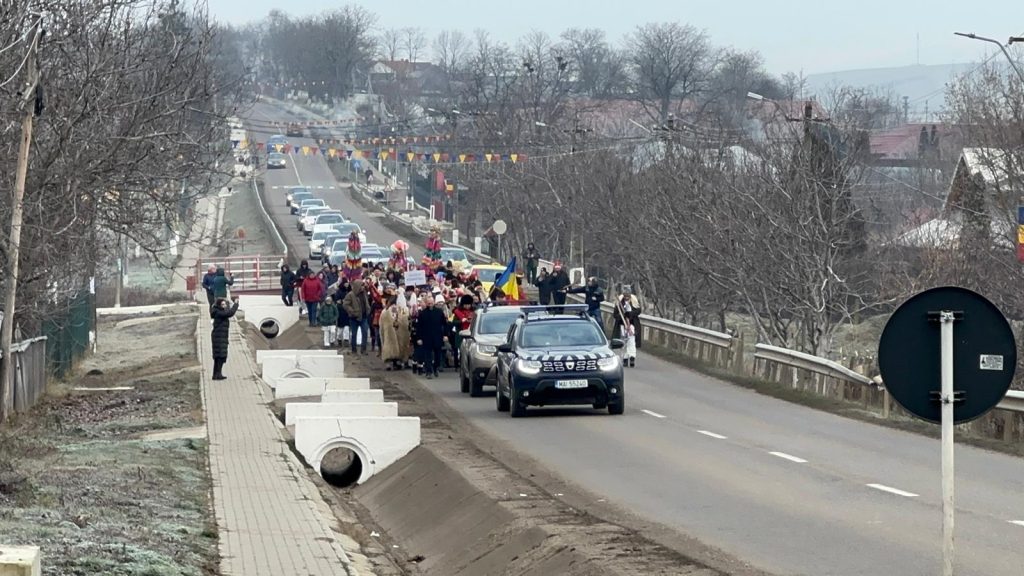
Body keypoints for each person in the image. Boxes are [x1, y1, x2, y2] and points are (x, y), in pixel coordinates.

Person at [415, 293, 448, 379]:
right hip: (426, 337)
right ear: (426, 303)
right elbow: (419, 327)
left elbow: (444, 324)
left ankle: (435, 367)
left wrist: (445, 335)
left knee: (437, 356)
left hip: (437, 337)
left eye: (431, 303)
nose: (430, 304)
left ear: (434, 302)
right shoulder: (422, 314)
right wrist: (419, 338)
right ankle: (428, 372)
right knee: (427, 356)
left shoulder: (439, 312)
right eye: (428, 303)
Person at [210, 297, 239, 380]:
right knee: (220, 356)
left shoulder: (217, 311)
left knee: (218, 356)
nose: (224, 306)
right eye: (223, 304)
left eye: (225, 304)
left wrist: (229, 304)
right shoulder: (219, 313)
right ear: (219, 305)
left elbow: (227, 311)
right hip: (219, 337)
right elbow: (230, 313)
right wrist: (236, 304)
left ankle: (215, 374)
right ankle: (218, 374)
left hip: (219, 336)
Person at [380, 295, 411, 371]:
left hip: (395, 331)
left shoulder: (401, 311)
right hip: (390, 332)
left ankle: (395, 362)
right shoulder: (386, 312)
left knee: (396, 345)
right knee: (391, 345)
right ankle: (391, 362)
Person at [343, 278, 371, 355]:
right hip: (354, 318)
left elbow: (366, 303)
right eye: (361, 285)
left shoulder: (364, 293)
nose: (363, 287)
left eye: (363, 286)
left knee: (365, 333)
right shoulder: (350, 294)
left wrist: (368, 309)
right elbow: (345, 304)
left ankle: (363, 349)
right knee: (354, 334)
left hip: (364, 316)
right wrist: (352, 311)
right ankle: (354, 350)